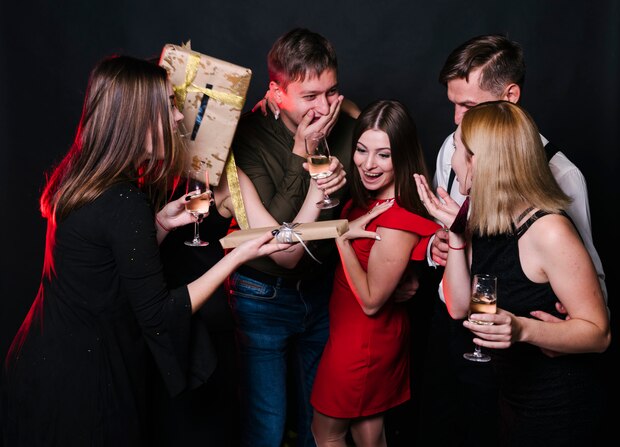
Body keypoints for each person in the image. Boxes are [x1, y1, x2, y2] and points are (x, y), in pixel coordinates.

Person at [0, 55, 296, 446]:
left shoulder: (82, 176)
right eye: (169, 107)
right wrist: (238, 257)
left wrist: (158, 224)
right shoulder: (124, 201)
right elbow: (160, 313)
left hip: (40, 355)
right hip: (82, 380)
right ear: (137, 118)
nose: (178, 118)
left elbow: (102, 268)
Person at [418, 33, 608, 447]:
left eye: (468, 109)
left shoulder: (554, 206)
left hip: (554, 398)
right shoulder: (483, 204)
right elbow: (459, 302)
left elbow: (596, 323)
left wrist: (540, 331)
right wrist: (453, 239)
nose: (454, 133)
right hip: (508, 386)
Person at [148, 159, 346, 446]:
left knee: (217, 428)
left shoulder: (226, 173)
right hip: (156, 320)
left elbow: (286, 254)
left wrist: (317, 190)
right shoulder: (143, 168)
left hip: (211, 322)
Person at [227, 27, 358, 447]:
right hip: (263, 294)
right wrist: (300, 153)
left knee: (317, 422)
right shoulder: (245, 139)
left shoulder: (339, 116)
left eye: (331, 92)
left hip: (321, 293)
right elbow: (277, 243)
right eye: (310, 97)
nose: (323, 108)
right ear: (277, 93)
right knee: (267, 424)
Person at [309, 99, 440, 446]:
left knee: (326, 434)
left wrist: (340, 237)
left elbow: (370, 301)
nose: (368, 164)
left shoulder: (395, 220)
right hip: (357, 335)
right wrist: (345, 109)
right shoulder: (372, 199)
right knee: (368, 434)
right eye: (362, 150)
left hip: (362, 342)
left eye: (383, 155)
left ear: (403, 154)